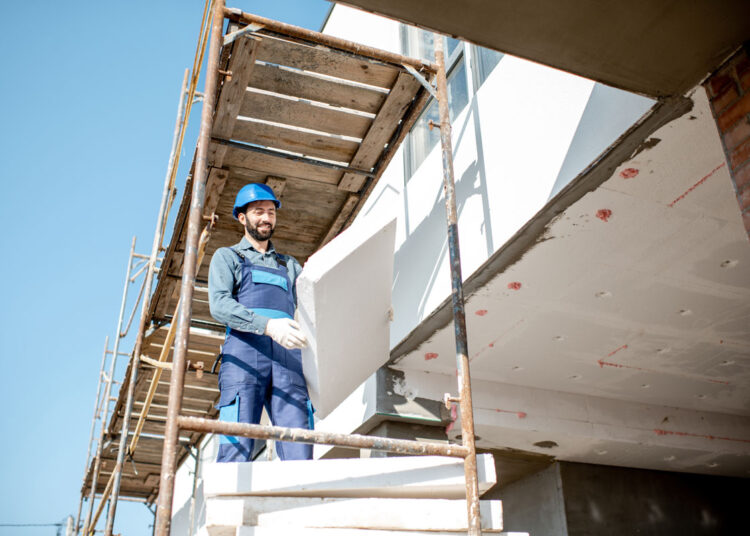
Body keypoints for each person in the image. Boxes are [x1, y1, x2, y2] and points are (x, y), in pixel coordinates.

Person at [208, 182, 313, 462]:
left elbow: (315, 303)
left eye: (271, 212)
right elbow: (219, 305)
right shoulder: (228, 257)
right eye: (258, 212)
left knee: (299, 442)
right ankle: (230, 505)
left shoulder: (290, 265)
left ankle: (300, 501)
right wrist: (267, 326)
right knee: (237, 442)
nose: (266, 218)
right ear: (242, 218)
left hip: (287, 358)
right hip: (244, 354)